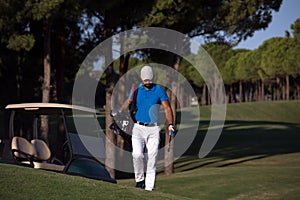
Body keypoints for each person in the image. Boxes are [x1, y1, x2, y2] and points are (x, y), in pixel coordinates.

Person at [117, 65, 175, 191]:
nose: (147, 83)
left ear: (152, 78)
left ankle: (149, 188)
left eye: (149, 80)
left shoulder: (159, 90)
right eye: (145, 80)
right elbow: (128, 101)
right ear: (141, 79)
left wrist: (170, 124)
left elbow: (167, 108)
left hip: (154, 129)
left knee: (152, 158)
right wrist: (119, 112)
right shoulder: (137, 90)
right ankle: (139, 180)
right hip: (138, 128)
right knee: (137, 155)